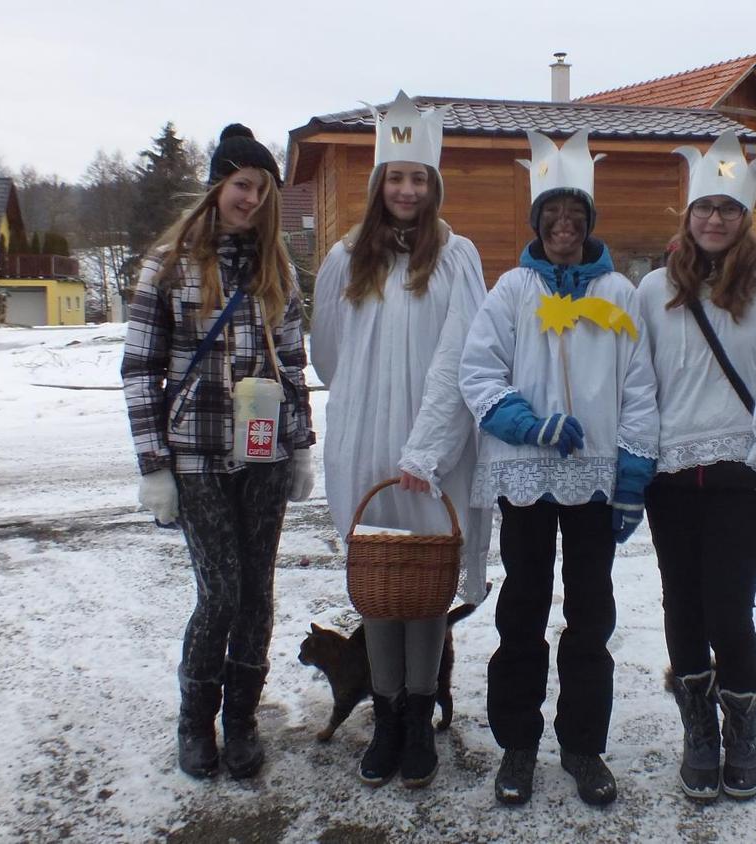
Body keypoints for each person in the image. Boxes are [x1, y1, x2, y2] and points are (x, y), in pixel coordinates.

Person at [459, 129, 659, 807]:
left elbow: (639, 390)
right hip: (525, 477)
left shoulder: (619, 295)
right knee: (521, 609)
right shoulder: (511, 291)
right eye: (552, 218)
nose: (564, 228)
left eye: (575, 218)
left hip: (594, 483)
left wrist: (630, 478)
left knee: (591, 612)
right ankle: (517, 743)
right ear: (538, 225)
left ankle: (582, 744)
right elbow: (477, 372)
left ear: (588, 225)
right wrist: (527, 423)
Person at [121, 124, 316, 780]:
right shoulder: (171, 262)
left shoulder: (276, 267)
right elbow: (139, 367)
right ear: (216, 186)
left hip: (263, 455)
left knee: (257, 593)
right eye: (242, 185)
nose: (252, 200)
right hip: (197, 455)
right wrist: (154, 467)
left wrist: (300, 446)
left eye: (262, 189)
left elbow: (291, 363)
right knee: (222, 590)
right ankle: (194, 720)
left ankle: (240, 722)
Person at [310, 90, 491, 790]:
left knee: (426, 589)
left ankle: (419, 718)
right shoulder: (345, 258)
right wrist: (365, 412)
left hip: (434, 449)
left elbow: (462, 356)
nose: (407, 189)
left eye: (418, 178)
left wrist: (428, 446)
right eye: (396, 176)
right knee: (379, 588)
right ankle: (386, 715)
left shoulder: (458, 257)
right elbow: (329, 355)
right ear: (378, 184)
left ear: (433, 186)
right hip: (366, 445)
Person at [637, 130, 756, 801]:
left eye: (727, 208)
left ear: (744, 219)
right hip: (672, 479)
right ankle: (699, 731)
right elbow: (638, 386)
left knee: (729, 608)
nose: (713, 218)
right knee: (682, 604)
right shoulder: (653, 290)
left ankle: (743, 726)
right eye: (703, 207)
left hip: (747, 476)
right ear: (686, 216)